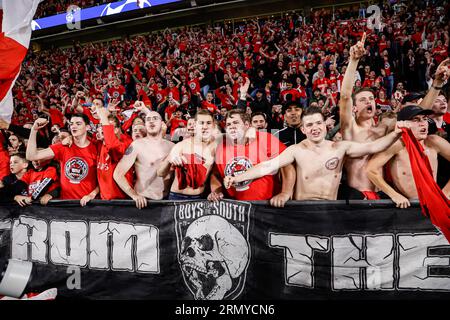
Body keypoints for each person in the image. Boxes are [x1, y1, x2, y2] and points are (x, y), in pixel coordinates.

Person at [224, 107, 409, 201]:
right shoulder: (296, 150)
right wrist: (238, 176)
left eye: (318, 123)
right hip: (303, 212)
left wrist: (395, 133)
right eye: (310, 125)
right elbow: (267, 166)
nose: (315, 128)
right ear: (303, 129)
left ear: (325, 125)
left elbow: (373, 147)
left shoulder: (340, 147)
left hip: (331, 209)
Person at [367, 105, 450, 208]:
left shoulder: (434, 142)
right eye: (416, 120)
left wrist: (446, 193)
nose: (423, 123)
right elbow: (370, 169)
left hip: (433, 205)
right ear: (404, 124)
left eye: (425, 119)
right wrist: (394, 195)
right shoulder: (397, 145)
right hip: (407, 208)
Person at [339, 33, 390, 199]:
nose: (369, 102)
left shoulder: (383, 129)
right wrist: (354, 61)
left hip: (382, 197)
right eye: (363, 100)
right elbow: (345, 96)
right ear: (354, 108)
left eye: (371, 99)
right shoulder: (350, 128)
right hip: (358, 198)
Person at [209, 109, 295, 207]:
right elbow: (215, 174)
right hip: (236, 207)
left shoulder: (266, 139)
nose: (231, 126)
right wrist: (216, 192)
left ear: (247, 125)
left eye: (235, 123)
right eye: (228, 124)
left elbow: (287, 164)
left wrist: (285, 193)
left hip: (267, 204)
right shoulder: (221, 147)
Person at [26, 114, 100, 206]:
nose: (74, 126)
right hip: (66, 205)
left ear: (88, 127)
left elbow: (103, 178)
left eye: (78, 123)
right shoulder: (63, 146)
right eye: (71, 123)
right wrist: (34, 130)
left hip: (89, 204)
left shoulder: (97, 147)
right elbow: (31, 156)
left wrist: (92, 194)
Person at [114, 111, 174, 209]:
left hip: (167, 201)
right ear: (145, 125)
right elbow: (118, 174)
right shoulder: (137, 145)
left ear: (162, 123)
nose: (151, 121)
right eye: (148, 120)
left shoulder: (173, 146)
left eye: (155, 118)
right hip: (144, 202)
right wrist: (134, 195)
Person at [157, 110, 217, 200]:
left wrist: (215, 192)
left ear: (213, 126)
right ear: (195, 125)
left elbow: (216, 175)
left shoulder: (216, 147)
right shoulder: (181, 145)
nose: (204, 126)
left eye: (208, 123)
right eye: (201, 123)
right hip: (177, 196)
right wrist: (169, 159)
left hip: (200, 197)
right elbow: (160, 173)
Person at [96, 107, 133, 200]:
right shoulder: (100, 144)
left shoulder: (122, 145)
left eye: (107, 125)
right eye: (102, 125)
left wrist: (104, 117)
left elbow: (111, 144)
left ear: (117, 130)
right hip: (104, 200)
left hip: (121, 201)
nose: (103, 128)